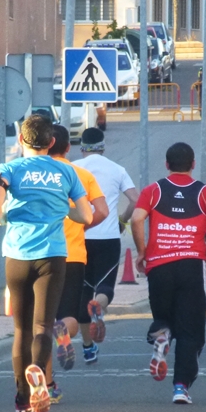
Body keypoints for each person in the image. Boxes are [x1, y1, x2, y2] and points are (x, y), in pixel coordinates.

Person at [0, 115, 92, 412]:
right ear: (52, 142)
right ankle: (38, 372)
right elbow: (86, 215)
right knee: (43, 326)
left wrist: (4, 221)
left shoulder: (9, 170)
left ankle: (22, 400)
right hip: (52, 256)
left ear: (21, 140)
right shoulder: (66, 171)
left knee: (21, 329)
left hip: (17, 256)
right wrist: (63, 208)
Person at [131, 142, 206, 405]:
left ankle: (161, 336)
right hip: (191, 267)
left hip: (158, 267)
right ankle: (181, 387)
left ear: (166, 165)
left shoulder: (153, 191)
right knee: (190, 332)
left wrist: (142, 251)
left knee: (164, 318)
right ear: (193, 165)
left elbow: (137, 219)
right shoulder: (205, 194)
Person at [47, 125, 107, 399]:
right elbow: (102, 211)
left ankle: (48, 384)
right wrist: (82, 225)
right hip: (71, 255)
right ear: (68, 148)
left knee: (40, 325)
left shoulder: (31, 173)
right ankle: (64, 332)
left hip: (35, 255)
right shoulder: (81, 174)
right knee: (67, 316)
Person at [74, 127, 138, 364]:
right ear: (103, 146)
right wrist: (123, 219)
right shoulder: (116, 169)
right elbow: (135, 199)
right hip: (108, 238)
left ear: (82, 148)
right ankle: (98, 306)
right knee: (105, 287)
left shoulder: (73, 168)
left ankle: (88, 347)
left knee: (83, 290)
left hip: (80, 237)